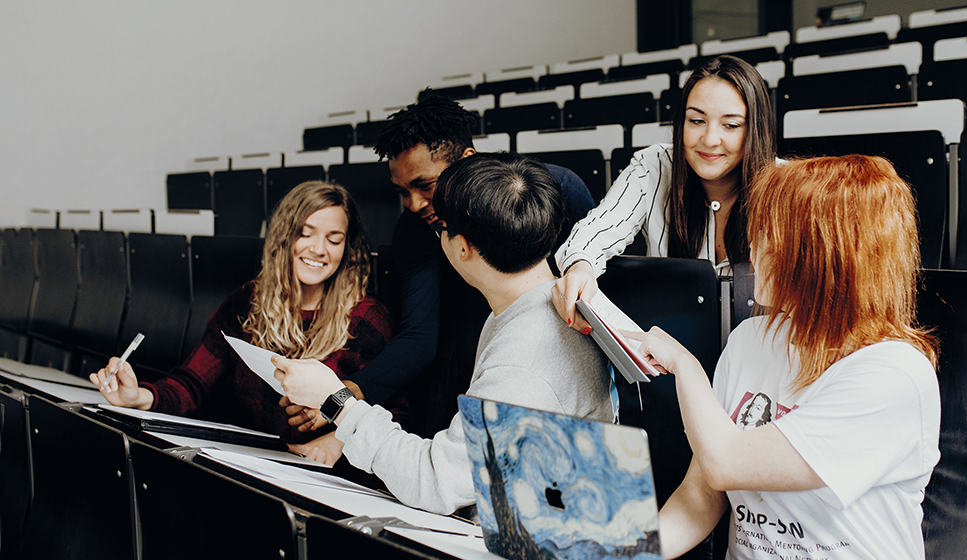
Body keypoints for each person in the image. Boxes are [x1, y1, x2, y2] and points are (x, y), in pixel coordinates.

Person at [633, 156, 940, 559]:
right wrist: (627, 551)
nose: (752, 246)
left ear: (826, 258)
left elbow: (726, 462)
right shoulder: (749, 341)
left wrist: (685, 365)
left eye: (772, 236)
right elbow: (701, 496)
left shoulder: (894, 375)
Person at [272, 153, 614, 514]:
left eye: (441, 229)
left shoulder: (525, 361)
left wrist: (336, 401)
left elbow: (434, 484)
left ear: (462, 247)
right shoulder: (535, 309)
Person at [90, 181, 397, 460]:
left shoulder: (367, 317)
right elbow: (192, 384)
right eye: (305, 233)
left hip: (327, 476)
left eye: (334, 239)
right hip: (253, 462)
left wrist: (335, 442)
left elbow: (397, 415)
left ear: (347, 249)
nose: (318, 249)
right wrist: (139, 397)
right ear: (284, 237)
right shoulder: (247, 301)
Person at [361, 93, 596, 436]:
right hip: (468, 353)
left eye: (425, 185)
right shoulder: (414, 227)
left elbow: (595, 278)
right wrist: (352, 391)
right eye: (401, 191)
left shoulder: (555, 188)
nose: (413, 204)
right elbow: (419, 335)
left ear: (466, 159)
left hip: (559, 355)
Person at [553, 54, 776, 332]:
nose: (709, 139)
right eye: (696, 121)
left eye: (730, 125)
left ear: (755, 129)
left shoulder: (789, 185)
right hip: (674, 351)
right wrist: (580, 267)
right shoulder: (653, 166)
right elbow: (596, 230)